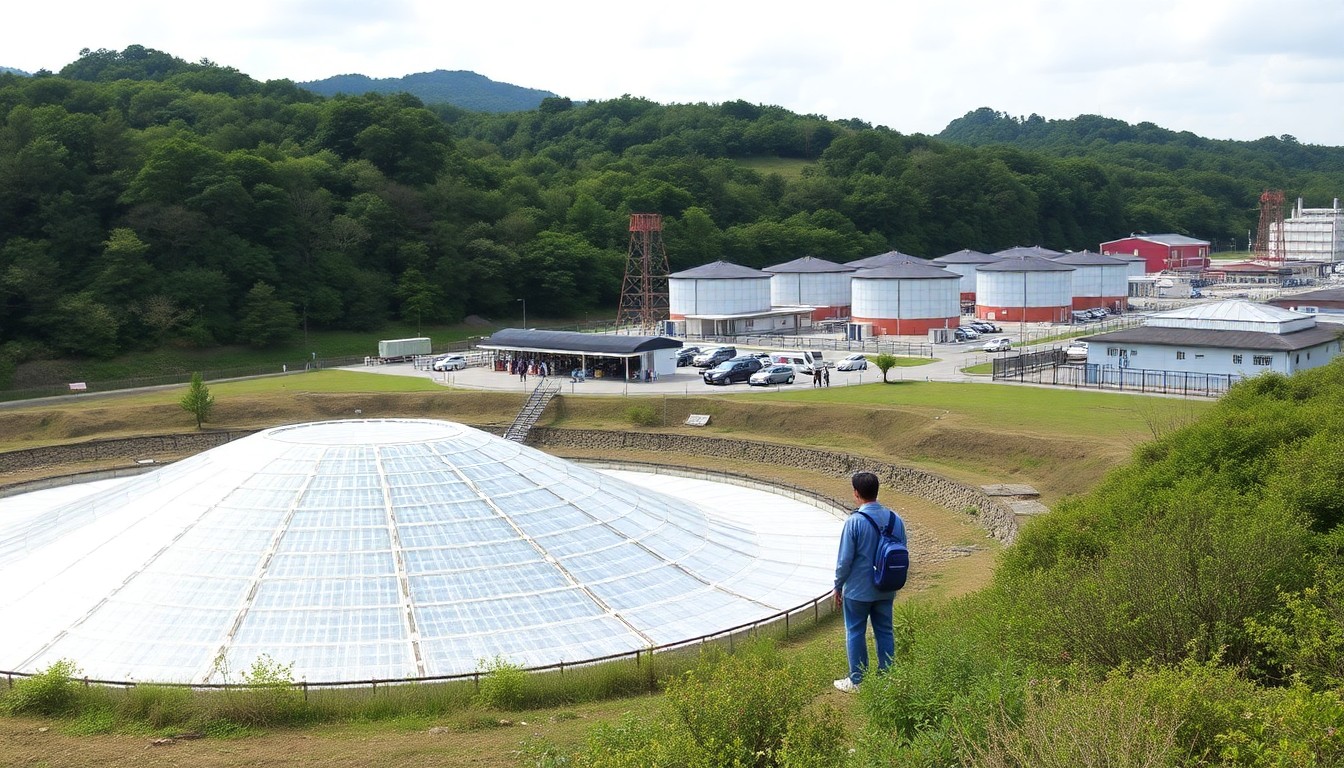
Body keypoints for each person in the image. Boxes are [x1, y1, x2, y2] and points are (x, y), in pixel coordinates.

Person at [833, 471, 906, 692]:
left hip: (857, 591)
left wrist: (837, 585)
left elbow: (844, 561)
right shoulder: (896, 520)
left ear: (856, 493)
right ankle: (888, 678)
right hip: (886, 587)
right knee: (885, 631)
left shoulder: (854, 522)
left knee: (855, 631)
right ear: (876, 491)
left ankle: (858, 681)